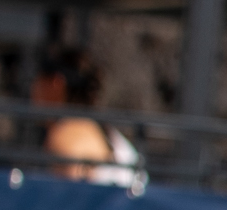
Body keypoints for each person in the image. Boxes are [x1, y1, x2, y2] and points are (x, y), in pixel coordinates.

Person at [31, 47, 145, 193]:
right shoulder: (93, 127)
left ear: (55, 84)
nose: (33, 90)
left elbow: (71, 199)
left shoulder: (68, 134)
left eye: (38, 82)